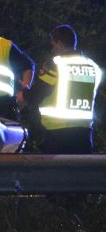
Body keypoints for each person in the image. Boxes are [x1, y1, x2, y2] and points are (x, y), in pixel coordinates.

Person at [19, 25, 102, 153]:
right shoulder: (93, 67)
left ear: (59, 43)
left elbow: (38, 92)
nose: (52, 50)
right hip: (84, 135)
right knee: (81, 172)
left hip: (57, 135)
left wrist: (24, 94)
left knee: (56, 172)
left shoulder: (55, 64)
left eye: (53, 45)